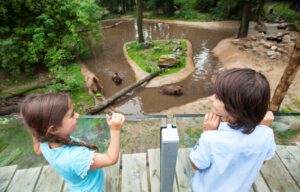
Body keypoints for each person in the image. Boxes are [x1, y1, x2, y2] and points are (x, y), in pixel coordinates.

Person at [190, 68, 276, 192]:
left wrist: (207, 132)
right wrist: (261, 127)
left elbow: (196, 165)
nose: (211, 98)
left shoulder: (211, 138)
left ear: (233, 106)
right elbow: (264, 159)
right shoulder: (267, 134)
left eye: (218, 97)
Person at [20, 93, 125, 192]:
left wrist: (36, 130)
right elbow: (110, 159)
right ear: (53, 129)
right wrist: (115, 130)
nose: (78, 115)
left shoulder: (44, 143)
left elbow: (37, 150)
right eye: (71, 115)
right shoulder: (77, 157)